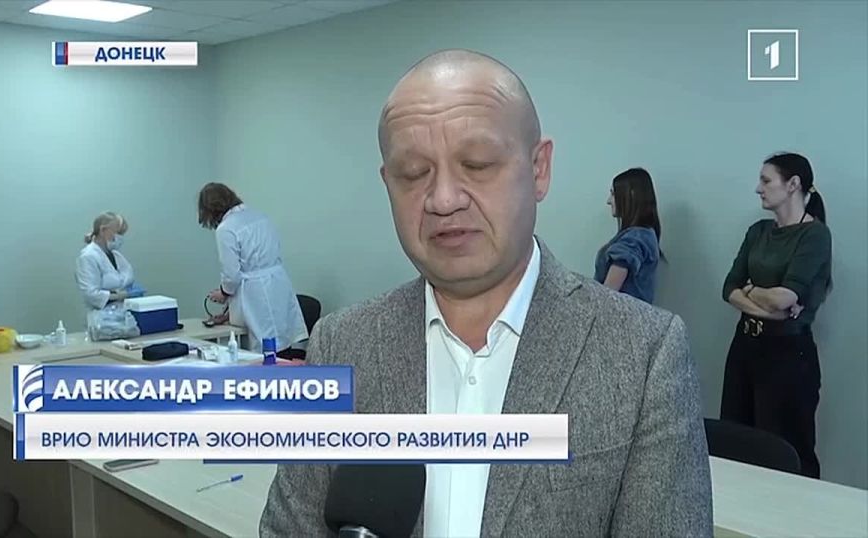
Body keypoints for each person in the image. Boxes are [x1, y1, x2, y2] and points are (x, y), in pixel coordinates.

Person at [260, 50, 711, 537]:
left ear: (539, 169)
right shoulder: (342, 343)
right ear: (388, 183)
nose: (444, 199)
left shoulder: (643, 353)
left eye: (477, 165)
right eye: (413, 173)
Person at [720, 152, 831, 479]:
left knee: (784, 449)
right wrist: (767, 305)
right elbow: (729, 287)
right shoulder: (758, 231)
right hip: (745, 347)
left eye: (766, 180)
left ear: (793, 184)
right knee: (735, 440)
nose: (759, 188)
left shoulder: (815, 235)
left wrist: (750, 290)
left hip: (787, 355)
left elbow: (787, 297)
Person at [197, 182, 307, 353]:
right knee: (282, 343)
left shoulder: (226, 229)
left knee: (266, 349)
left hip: (256, 294)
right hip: (278, 284)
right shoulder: (259, 216)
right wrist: (229, 313)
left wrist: (223, 293)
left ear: (208, 210)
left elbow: (232, 275)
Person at [593, 167, 663, 303]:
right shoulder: (644, 235)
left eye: (613, 194)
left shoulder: (635, 239)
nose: (608, 201)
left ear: (630, 195)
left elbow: (607, 296)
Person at [75, 212, 134, 310]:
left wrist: (131, 291)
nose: (120, 238)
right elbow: (90, 294)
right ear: (103, 230)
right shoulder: (88, 257)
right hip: (101, 316)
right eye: (118, 233)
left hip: (122, 313)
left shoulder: (116, 255)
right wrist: (117, 295)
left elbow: (126, 280)